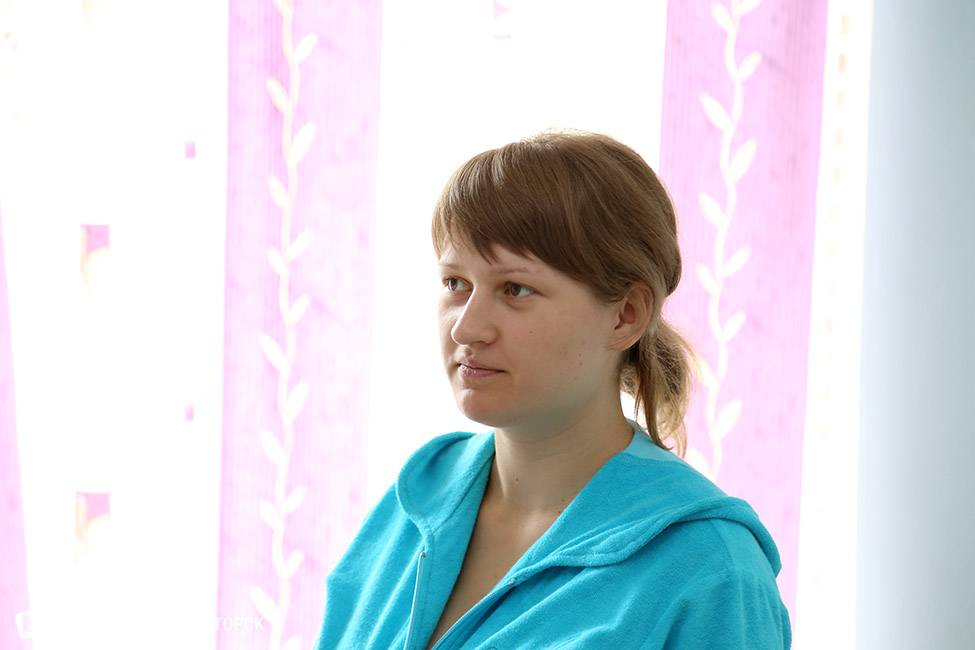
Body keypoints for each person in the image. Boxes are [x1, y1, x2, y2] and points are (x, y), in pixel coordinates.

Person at [313, 131, 791, 649]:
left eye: (515, 289)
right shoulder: (413, 502)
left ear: (626, 316)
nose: (466, 328)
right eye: (455, 284)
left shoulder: (712, 569)